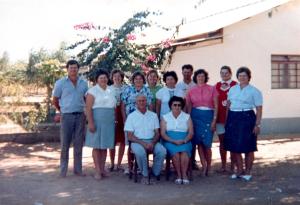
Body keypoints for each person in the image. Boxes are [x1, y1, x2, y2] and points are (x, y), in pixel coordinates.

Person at [225, 67, 263, 181]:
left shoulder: (255, 91)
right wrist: (228, 120)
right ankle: (239, 170)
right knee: (234, 146)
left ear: (249, 77)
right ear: (237, 77)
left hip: (247, 117)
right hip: (233, 117)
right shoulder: (232, 89)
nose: (242, 77)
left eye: (244, 76)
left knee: (248, 146)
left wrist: (257, 125)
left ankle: (248, 171)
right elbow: (228, 105)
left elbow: (259, 109)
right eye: (240, 75)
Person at [52, 59, 88, 177]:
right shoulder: (60, 83)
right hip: (66, 116)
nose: (73, 70)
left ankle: (78, 170)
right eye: (71, 68)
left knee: (78, 144)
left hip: (80, 116)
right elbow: (55, 100)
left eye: (75, 68)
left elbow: (86, 99)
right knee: (65, 144)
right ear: (67, 69)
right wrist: (61, 111)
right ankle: (63, 171)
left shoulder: (84, 83)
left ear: (78, 69)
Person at [124, 95, 166, 184]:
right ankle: (145, 175)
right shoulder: (131, 116)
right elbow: (130, 136)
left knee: (162, 151)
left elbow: (157, 133)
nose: (142, 102)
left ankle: (155, 173)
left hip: (152, 140)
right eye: (139, 101)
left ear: (146, 102)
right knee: (140, 152)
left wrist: (153, 142)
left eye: (143, 100)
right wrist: (143, 143)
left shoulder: (153, 115)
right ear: (136, 103)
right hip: (137, 141)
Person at [85, 69, 117, 180]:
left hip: (109, 122)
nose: (103, 79)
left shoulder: (111, 90)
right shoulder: (92, 91)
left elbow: (114, 107)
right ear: (97, 80)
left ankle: (103, 169)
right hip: (97, 120)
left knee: (104, 147)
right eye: (101, 78)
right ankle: (97, 170)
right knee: (97, 146)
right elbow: (88, 108)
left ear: (108, 79)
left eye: (105, 77)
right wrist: (91, 123)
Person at [186, 69, 218, 176]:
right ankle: (203, 166)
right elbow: (189, 106)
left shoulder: (212, 89)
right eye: (199, 76)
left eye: (203, 76)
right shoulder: (191, 90)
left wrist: (214, 120)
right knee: (199, 143)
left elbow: (216, 106)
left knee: (207, 144)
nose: (201, 78)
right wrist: (189, 120)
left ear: (205, 77)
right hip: (195, 117)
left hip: (208, 117)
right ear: (196, 77)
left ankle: (209, 166)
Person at [121, 71, 153, 174]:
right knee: (130, 144)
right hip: (131, 121)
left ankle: (141, 167)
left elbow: (150, 105)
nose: (138, 81)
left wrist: (151, 119)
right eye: (136, 79)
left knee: (142, 142)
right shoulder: (128, 90)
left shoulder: (146, 90)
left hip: (144, 121)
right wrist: (125, 119)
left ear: (143, 80)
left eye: (140, 79)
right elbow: (122, 106)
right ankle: (130, 167)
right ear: (133, 80)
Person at [160, 96, 193, 185]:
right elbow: (163, 133)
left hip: (184, 139)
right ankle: (179, 175)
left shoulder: (187, 116)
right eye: (175, 105)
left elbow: (191, 133)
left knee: (184, 152)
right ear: (171, 106)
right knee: (176, 154)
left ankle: (184, 175)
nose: (177, 107)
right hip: (169, 140)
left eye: (179, 105)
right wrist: (173, 141)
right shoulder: (165, 117)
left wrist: (185, 140)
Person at [215, 66, 237, 173]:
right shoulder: (217, 85)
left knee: (232, 142)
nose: (224, 75)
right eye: (222, 73)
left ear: (230, 73)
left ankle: (233, 165)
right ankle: (223, 165)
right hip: (220, 118)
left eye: (226, 73)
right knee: (222, 142)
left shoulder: (235, 85)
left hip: (232, 118)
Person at [109, 69, 126, 171]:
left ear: (122, 77)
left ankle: (119, 163)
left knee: (123, 140)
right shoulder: (108, 89)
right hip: (112, 114)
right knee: (112, 140)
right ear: (112, 77)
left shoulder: (126, 88)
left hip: (123, 114)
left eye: (119, 76)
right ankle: (112, 163)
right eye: (115, 76)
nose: (117, 78)